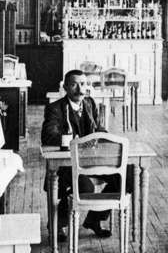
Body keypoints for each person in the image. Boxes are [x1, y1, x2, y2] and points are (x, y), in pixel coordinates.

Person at [41, 70, 115, 239]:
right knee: (85, 186)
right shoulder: (55, 108)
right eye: (74, 84)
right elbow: (48, 136)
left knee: (126, 178)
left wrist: (104, 136)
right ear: (66, 87)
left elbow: (98, 128)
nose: (79, 88)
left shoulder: (89, 103)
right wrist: (74, 140)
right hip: (67, 163)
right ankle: (58, 224)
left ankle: (94, 219)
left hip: (93, 160)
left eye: (83, 84)